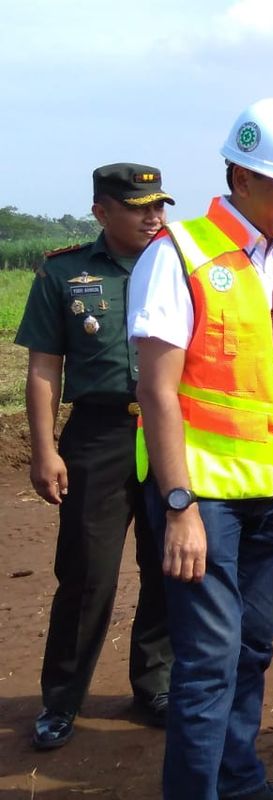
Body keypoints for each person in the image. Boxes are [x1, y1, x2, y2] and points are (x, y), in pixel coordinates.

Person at [128, 98, 273, 800]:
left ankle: (240, 782)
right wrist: (179, 505)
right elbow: (157, 393)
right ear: (242, 176)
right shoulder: (177, 255)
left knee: (252, 647)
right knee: (208, 661)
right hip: (206, 501)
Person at [16, 164, 175, 750]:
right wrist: (44, 448)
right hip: (99, 437)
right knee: (86, 574)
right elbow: (43, 367)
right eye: (138, 207)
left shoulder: (181, 266)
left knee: (168, 565)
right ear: (102, 211)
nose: (152, 216)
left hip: (170, 434)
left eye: (159, 205)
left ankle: (155, 686)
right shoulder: (65, 272)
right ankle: (62, 700)